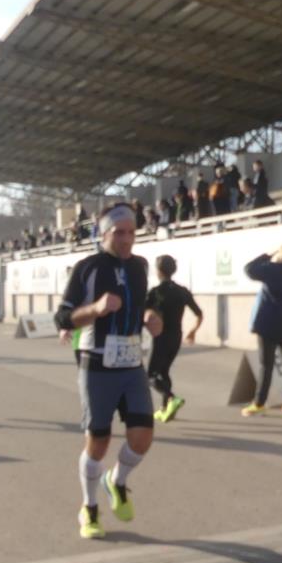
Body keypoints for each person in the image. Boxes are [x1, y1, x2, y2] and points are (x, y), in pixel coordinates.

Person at [54, 205, 163, 539]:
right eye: (119, 233)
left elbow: (141, 303)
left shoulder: (140, 266)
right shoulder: (87, 268)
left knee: (142, 437)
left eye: (131, 232)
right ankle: (89, 508)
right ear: (103, 234)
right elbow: (63, 317)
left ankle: (116, 481)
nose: (127, 239)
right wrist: (95, 309)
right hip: (97, 363)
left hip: (132, 363)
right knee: (98, 443)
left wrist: (149, 316)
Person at [241, 244, 282, 417]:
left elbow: (249, 269)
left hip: (268, 323)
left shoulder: (272, 269)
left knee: (266, 365)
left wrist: (267, 255)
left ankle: (259, 403)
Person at [146, 255, 203, 423]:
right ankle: (165, 409)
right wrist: (193, 331)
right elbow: (199, 314)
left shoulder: (155, 292)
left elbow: (143, 312)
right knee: (164, 371)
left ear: (158, 271)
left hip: (160, 337)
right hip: (176, 336)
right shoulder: (182, 291)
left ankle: (172, 398)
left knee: (151, 375)